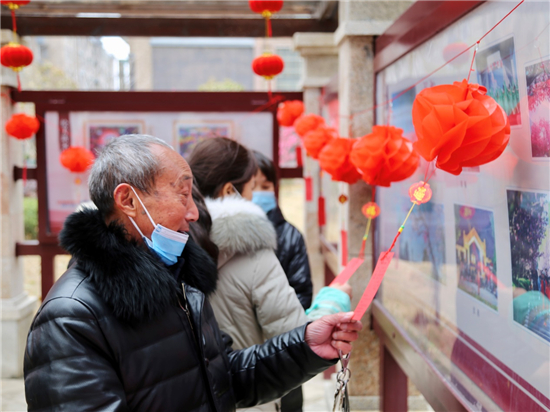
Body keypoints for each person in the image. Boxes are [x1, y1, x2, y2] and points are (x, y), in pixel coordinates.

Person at [23, 135, 362, 411]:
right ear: (127, 200)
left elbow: (222, 379)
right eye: (182, 194)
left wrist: (305, 346)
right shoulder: (71, 317)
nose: (193, 213)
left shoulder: (180, 282)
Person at [252, 150, 352, 411]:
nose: (261, 193)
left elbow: (301, 292)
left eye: (266, 186)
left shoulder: (289, 235)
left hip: (283, 347)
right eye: (253, 186)